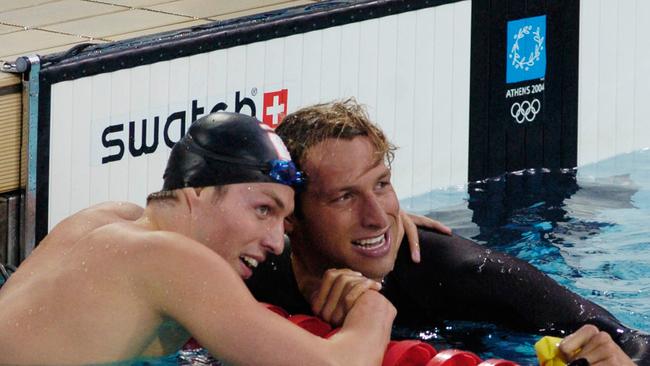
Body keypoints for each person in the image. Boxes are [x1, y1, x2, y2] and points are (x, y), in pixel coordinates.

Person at [246, 99, 648, 365]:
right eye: (344, 197)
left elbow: (636, 343)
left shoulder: (461, 273)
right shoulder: (256, 271)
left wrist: (617, 359)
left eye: (382, 185)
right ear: (290, 216)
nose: (378, 217)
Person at [0, 112, 396, 365]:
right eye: (263, 209)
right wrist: (374, 309)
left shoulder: (104, 220)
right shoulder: (171, 258)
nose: (277, 241)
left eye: (283, 219)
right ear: (198, 195)